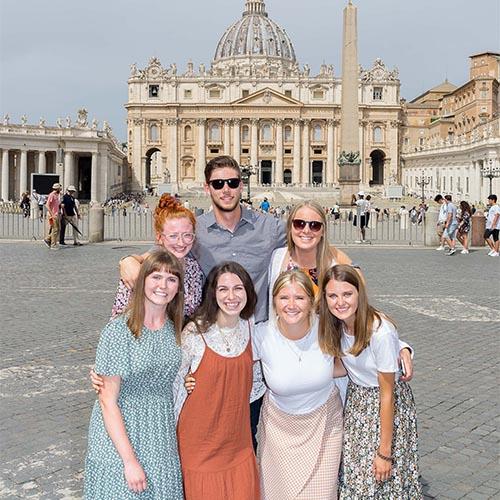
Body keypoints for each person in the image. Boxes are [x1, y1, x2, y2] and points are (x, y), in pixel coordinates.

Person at [84, 250, 185, 499]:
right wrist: (129, 460)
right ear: (142, 282)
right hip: (120, 439)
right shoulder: (119, 331)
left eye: (171, 279)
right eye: (156, 277)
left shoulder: (175, 331)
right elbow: (108, 401)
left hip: (159, 435)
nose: (163, 285)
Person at [318, 265, 422, 498]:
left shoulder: (380, 331)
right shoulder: (337, 324)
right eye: (332, 295)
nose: (340, 302)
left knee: (381, 479)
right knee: (356, 479)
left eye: (347, 294)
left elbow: (387, 393)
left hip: (385, 408)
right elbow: (342, 367)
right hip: (357, 406)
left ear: (359, 294)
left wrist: (385, 451)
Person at [253, 269, 344, 499]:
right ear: (274, 301)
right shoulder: (261, 335)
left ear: (311, 302)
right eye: (284, 297)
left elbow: (363, 333)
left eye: (300, 297)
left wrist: (401, 347)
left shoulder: (327, 328)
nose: (291, 305)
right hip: (278, 431)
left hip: (325, 425)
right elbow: (227, 357)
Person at [176, 262, 260, 500]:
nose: (231, 296)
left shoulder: (251, 327)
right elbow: (175, 385)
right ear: (212, 293)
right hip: (199, 446)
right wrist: (186, 381)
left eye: (238, 288)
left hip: (238, 443)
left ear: (248, 292)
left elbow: (257, 383)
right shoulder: (195, 333)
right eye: (223, 289)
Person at [112, 194, 203, 320]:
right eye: (173, 236)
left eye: (187, 235)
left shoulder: (194, 268)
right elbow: (119, 320)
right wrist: (127, 260)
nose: (181, 243)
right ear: (159, 238)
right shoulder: (138, 271)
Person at [43, 183, 62, 249]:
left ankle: (48, 239)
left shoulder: (57, 195)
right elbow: (47, 205)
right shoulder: (52, 195)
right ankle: (53, 244)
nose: (61, 190)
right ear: (57, 189)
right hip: (53, 215)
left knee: (58, 229)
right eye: (60, 188)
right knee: (55, 229)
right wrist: (52, 214)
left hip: (56, 214)